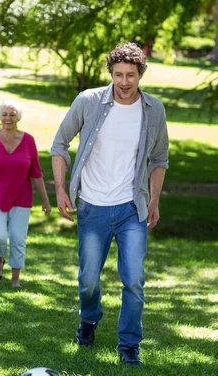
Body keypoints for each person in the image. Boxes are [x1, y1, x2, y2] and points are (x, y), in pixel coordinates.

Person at [50, 42, 169, 366]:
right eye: (118, 75)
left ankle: (129, 345)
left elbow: (159, 159)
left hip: (132, 208)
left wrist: (154, 200)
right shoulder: (89, 101)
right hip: (92, 206)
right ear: (111, 74)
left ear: (141, 74)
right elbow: (59, 144)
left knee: (133, 279)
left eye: (131, 75)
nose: (125, 82)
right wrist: (61, 190)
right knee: (89, 278)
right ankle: (88, 321)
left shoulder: (153, 109)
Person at [0, 100, 51, 288]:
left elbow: (36, 173)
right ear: (0, 116)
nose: (8, 118)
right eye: (5, 114)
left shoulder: (29, 140)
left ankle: (15, 278)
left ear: (18, 117)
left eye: (12, 114)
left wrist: (45, 199)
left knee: (18, 238)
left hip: (21, 197)